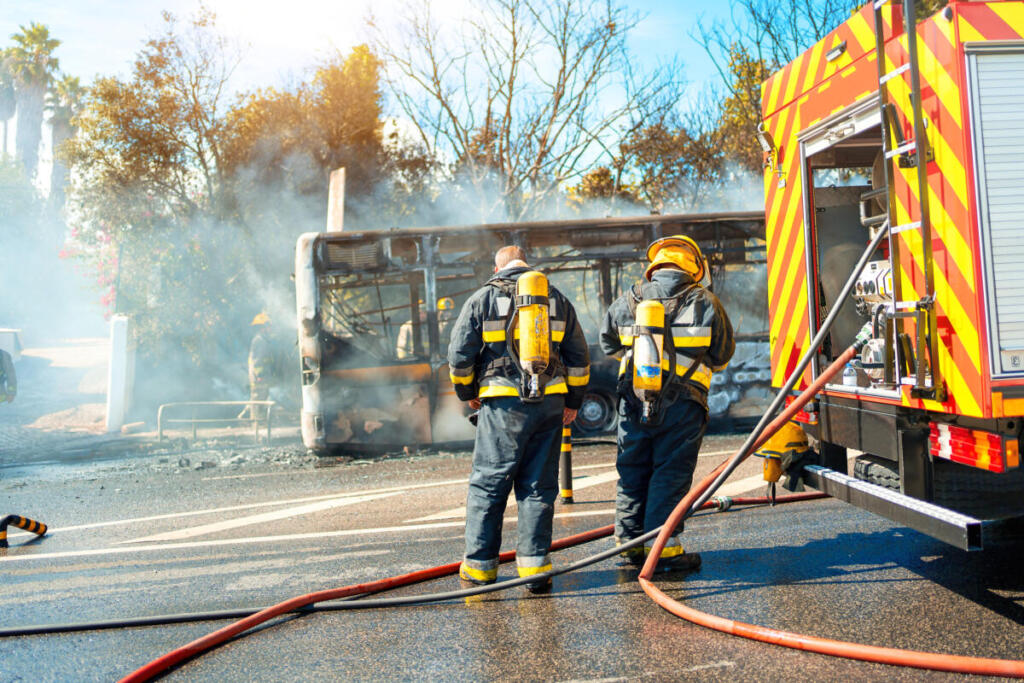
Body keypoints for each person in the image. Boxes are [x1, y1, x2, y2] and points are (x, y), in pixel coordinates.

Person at [448, 246, 590, 593]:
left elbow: (459, 356)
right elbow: (579, 358)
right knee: (539, 487)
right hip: (549, 403)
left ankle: (481, 570)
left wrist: (469, 394)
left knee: (490, 483)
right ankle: (535, 570)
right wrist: (572, 401)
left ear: (498, 266)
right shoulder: (556, 299)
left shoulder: (483, 298)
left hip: (502, 405)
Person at [600, 235, 734, 572]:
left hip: (633, 401)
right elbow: (722, 354)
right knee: (669, 473)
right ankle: (665, 550)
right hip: (683, 404)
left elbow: (607, 344)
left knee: (632, 472)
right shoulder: (705, 301)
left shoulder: (628, 299)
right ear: (693, 266)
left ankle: (629, 546)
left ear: (655, 265)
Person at [247, 312, 275, 421]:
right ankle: (257, 424)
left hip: (263, 376)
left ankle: (260, 422)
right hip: (259, 377)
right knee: (258, 400)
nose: (270, 328)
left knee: (262, 398)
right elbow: (257, 361)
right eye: (268, 326)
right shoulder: (259, 340)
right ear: (263, 327)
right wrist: (259, 375)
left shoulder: (263, 340)